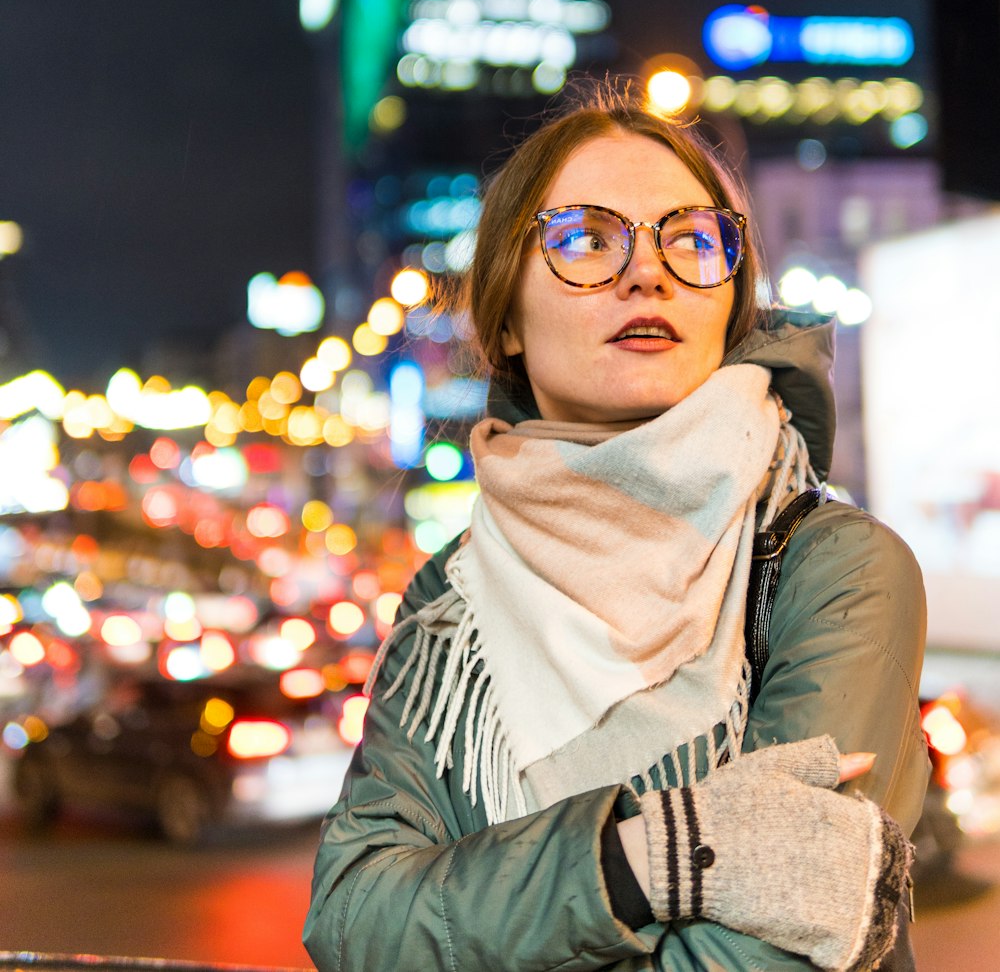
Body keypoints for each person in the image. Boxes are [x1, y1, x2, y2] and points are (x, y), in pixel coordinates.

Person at [305, 89, 928, 971]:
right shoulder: (451, 601)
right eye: (587, 239)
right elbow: (355, 917)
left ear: (730, 301)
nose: (650, 273)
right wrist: (651, 857)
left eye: (690, 239)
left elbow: (786, 939)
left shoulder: (832, 566)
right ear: (505, 319)